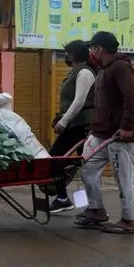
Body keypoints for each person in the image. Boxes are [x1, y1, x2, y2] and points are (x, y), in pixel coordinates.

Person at [75, 31, 134, 234]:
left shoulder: (121, 67)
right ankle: (96, 209)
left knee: (123, 178)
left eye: (91, 48)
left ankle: (128, 221)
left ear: (99, 49)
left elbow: (131, 97)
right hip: (101, 133)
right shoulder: (103, 69)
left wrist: (127, 126)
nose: (89, 53)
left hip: (119, 134)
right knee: (87, 167)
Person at [48, 40, 96, 213]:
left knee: (87, 167)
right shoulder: (75, 72)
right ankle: (63, 198)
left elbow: (79, 101)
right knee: (56, 160)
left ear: (75, 55)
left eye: (68, 53)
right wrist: (60, 117)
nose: (66, 57)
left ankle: (94, 207)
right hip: (73, 126)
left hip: (82, 127)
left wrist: (63, 122)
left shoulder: (85, 73)